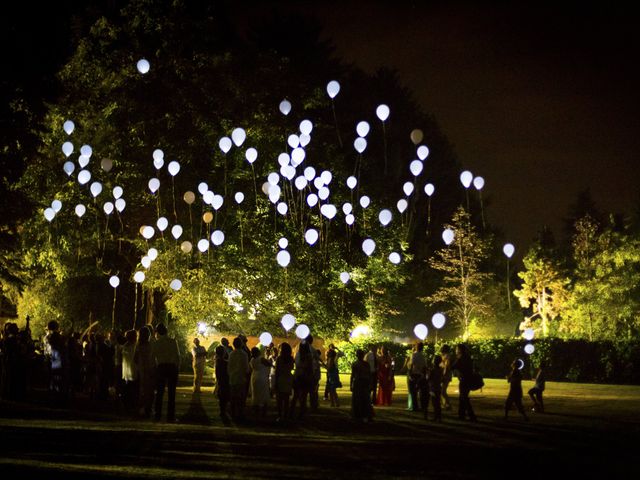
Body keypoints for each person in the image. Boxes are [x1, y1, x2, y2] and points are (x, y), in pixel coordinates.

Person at [151, 323, 180, 422]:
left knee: (159, 392)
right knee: (172, 393)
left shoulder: (156, 343)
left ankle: (157, 414)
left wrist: (154, 368)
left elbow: (152, 357)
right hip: (171, 367)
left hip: (161, 367)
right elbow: (177, 356)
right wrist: (177, 368)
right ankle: (170, 416)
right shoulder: (173, 342)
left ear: (157, 332)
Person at [452, 343, 477, 422]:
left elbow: (453, 366)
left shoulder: (461, 358)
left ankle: (471, 415)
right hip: (468, 379)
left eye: (456, 349)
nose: (455, 351)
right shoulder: (467, 357)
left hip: (464, 380)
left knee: (464, 398)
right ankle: (461, 414)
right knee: (462, 397)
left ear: (459, 350)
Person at [228, 336, 250, 422]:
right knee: (241, 397)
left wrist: (230, 374)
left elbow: (229, 366)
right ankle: (240, 413)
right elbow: (246, 367)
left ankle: (233, 413)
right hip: (241, 378)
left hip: (233, 378)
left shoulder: (231, 354)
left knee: (233, 397)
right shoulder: (244, 354)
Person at [135, 326, 155, 418]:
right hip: (150, 369)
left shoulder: (138, 345)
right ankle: (148, 409)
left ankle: (140, 408)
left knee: (141, 390)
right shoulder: (151, 345)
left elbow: (135, 358)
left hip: (140, 369)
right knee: (149, 390)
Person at [291, 341, 314, 419]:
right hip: (304, 376)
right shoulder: (308, 356)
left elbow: (296, 364)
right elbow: (310, 367)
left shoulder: (298, 354)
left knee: (296, 395)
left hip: (298, 375)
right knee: (303, 396)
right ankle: (301, 411)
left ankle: (292, 410)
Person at [350, 349, 373, 422]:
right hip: (360, 382)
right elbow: (353, 375)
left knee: (363, 399)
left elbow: (368, 375)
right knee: (362, 399)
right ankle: (361, 414)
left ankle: (362, 414)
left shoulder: (360, 364)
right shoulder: (360, 364)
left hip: (362, 382)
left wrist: (351, 384)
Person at [274, 342, 294, 422]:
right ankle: (285, 415)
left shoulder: (279, 358)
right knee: (286, 399)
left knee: (279, 399)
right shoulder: (291, 358)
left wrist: (275, 382)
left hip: (281, 378)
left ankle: (279, 415)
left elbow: (277, 371)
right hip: (288, 378)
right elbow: (291, 367)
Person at [249, 347, 271, 418]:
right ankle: (263, 412)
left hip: (254, 376)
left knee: (256, 393)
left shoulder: (252, 360)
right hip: (262, 376)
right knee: (264, 393)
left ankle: (256, 411)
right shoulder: (261, 359)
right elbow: (269, 364)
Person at [407, 341, 428, 415]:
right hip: (420, 375)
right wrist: (424, 376)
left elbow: (411, 365)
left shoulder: (414, 355)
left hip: (414, 374)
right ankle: (422, 406)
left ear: (416, 347)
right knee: (421, 392)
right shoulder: (423, 356)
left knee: (413, 392)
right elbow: (425, 367)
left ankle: (415, 407)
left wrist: (409, 374)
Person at [121, 329, 138, 415]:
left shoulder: (125, 346)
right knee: (133, 390)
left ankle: (127, 406)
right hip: (133, 371)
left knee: (127, 390)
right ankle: (131, 406)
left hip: (126, 372)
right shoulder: (134, 346)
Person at [214, 345, 230, 421]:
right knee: (224, 395)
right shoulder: (224, 362)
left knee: (221, 395)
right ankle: (223, 410)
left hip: (220, 379)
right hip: (224, 379)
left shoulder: (218, 361)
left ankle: (222, 410)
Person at [428, 355, 443, 421]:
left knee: (435, 403)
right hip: (438, 387)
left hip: (433, 388)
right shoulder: (440, 369)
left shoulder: (432, 370)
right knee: (438, 403)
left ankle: (436, 417)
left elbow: (428, 378)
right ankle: (439, 417)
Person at [440, 344, 454, 410]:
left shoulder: (447, 356)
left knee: (443, 391)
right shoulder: (444, 356)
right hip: (444, 374)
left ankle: (449, 404)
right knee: (442, 390)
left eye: (442, 348)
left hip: (446, 375)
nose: (441, 349)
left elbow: (447, 366)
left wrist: (443, 375)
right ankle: (445, 405)